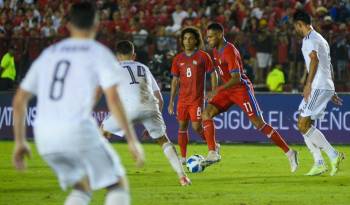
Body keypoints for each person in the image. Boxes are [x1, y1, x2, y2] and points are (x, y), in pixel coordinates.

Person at [12, 3, 144, 205]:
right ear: (97, 24)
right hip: (76, 130)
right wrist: (132, 140)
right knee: (117, 184)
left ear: (68, 25)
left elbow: (20, 99)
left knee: (82, 186)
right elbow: (113, 99)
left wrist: (20, 141)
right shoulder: (99, 53)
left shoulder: (49, 54)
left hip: (44, 137)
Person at [201, 22, 298, 173]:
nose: (208, 39)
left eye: (211, 36)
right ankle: (213, 152)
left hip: (240, 89)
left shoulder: (229, 51)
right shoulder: (215, 50)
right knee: (206, 114)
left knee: (259, 124)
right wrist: (219, 90)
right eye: (207, 37)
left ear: (220, 35)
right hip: (227, 90)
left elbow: (237, 78)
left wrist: (217, 90)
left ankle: (290, 153)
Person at [101, 40, 191, 186]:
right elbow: (159, 98)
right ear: (134, 55)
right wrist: (154, 117)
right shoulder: (143, 68)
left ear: (117, 56)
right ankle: (183, 177)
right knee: (163, 140)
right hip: (150, 106)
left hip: (127, 109)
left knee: (103, 133)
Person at [293, 10, 345, 176]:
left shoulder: (310, 39)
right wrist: (332, 89)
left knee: (303, 124)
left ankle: (332, 155)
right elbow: (327, 65)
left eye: (296, 26)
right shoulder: (319, 38)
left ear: (300, 24)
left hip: (318, 85)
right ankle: (319, 162)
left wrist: (308, 84)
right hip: (324, 85)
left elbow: (314, 59)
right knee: (302, 122)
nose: (296, 29)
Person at [168, 26, 218, 164]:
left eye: (190, 38)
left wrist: (214, 90)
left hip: (197, 99)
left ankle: (213, 146)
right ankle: (183, 157)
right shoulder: (178, 59)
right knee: (182, 126)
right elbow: (175, 81)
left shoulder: (203, 56)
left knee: (196, 127)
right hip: (182, 100)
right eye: (185, 38)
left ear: (196, 40)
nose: (187, 41)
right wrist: (171, 101)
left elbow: (213, 73)